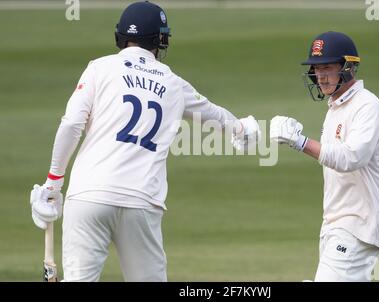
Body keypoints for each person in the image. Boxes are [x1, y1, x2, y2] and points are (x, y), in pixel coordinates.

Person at [29, 1, 260, 282]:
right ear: (160, 40)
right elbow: (215, 114)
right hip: (141, 201)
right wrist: (242, 129)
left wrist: (53, 183)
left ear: (121, 35)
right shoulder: (173, 83)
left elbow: (71, 124)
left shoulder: (99, 68)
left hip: (89, 195)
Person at [270, 31, 379, 282]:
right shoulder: (336, 108)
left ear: (347, 67)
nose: (320, 76)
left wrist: (299, 141)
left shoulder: (367, 106)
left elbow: (352, 157)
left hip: (358, 225)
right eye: (316, 68)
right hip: (337, 224)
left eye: (327, 67)